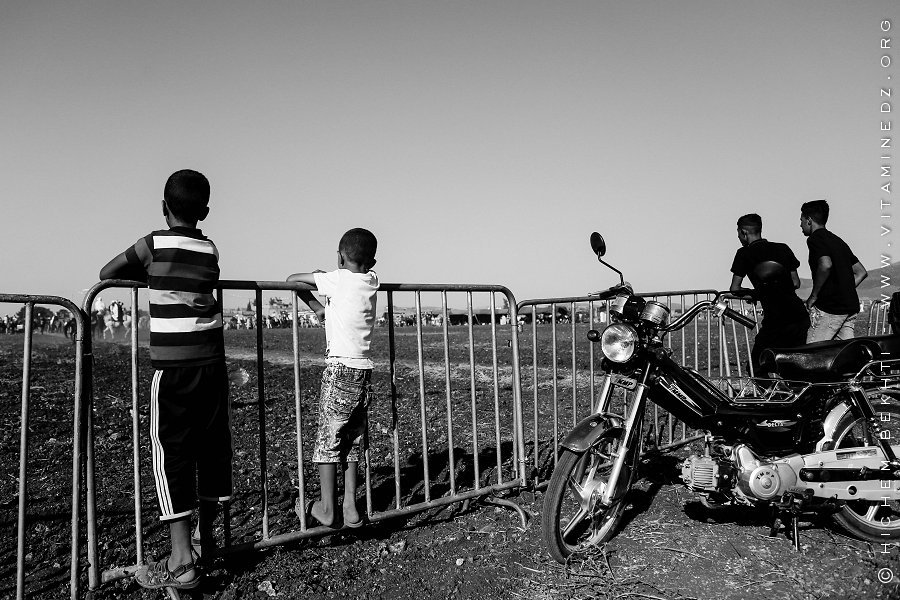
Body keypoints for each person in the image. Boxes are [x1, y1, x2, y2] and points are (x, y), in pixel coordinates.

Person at [98, 169, 230, 591]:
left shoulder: (153, 244)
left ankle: (180, 560)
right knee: (211, 449)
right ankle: (205, 543)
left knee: (171, 453)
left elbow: (108, 270)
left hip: (172, 370)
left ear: (162, 207)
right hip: (211, 365)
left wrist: (149, 275)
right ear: (205, 211)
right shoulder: (209, 248)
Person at [286, 228, 379, 529]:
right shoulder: (372, 280)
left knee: (328, 440)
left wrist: (320, 277)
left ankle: (327, 509)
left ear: (339, 257)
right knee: (352, 438)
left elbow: (291, 280)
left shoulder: (337, 279)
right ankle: (350, 507)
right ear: (373, 261)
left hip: (339, 371)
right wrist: (321, 305)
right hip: (363, 371)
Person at [729, 214, 810, 372]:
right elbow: (796, 283)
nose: (738, 237)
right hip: (798, 315)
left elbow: (735, 288)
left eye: (738, 233)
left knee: (756, 367)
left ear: (744, 232)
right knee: (795, 366)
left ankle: (774, 395)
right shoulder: (783, 248)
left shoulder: (743, 254)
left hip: (775, 319)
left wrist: (755, 293)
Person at [800, 200, 868, 342]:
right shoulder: (838, 241)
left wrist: (814, 295)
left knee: (813, 354)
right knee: (845, 354)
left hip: (830, 309)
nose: (800, 225)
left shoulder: (815, 239)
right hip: (849, 307)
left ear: (809, 220)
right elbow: (861, 272)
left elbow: (825, 265)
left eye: (801, 220)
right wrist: (844, 289)